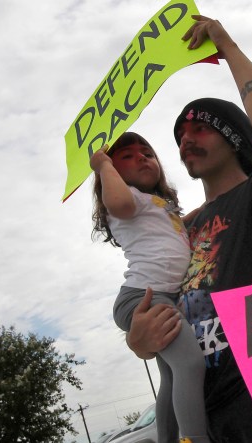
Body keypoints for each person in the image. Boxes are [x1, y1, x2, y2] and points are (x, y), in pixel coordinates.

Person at [125, 15, 252, 443]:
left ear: (234, 137)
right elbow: (152, 297)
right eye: (180, 134)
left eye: (199, 128)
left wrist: (227, 46)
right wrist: (140, 341)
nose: (185, 140)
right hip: (200, 416)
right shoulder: (179, 227)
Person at [89, 132, 209, 443]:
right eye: (126, 156)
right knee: (191, 363)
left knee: (171, 375)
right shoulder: (126, 200)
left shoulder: (157, 205)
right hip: (144, 299)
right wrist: (102, 165)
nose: (141, 157)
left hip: (161, 297)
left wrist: (210, 205)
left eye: (147, 153)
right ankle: (195, 439)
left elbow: (180, 230)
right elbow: (117, 201)